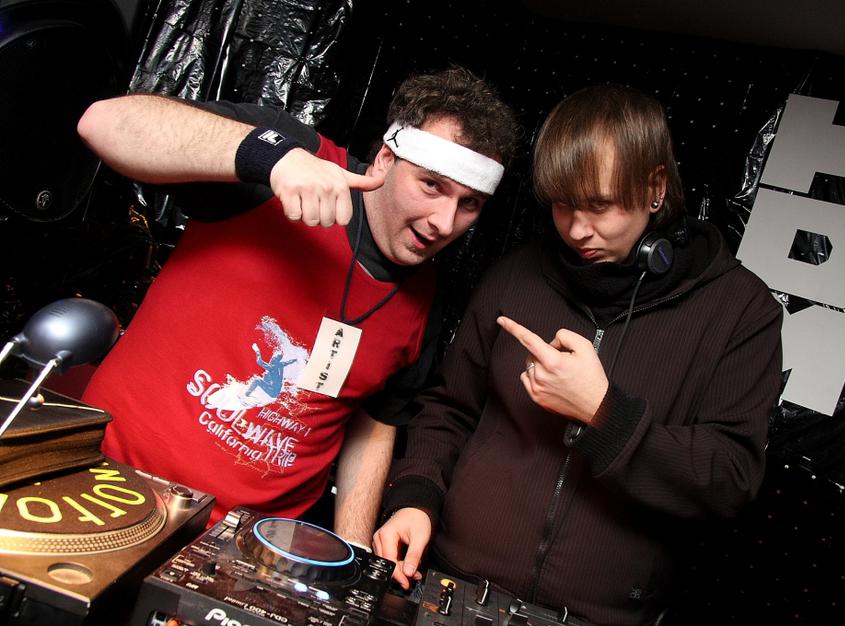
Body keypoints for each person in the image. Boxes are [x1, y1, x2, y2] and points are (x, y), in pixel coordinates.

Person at [372, 84, 783, 625]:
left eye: (600, 206)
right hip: (455, 585)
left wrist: (603, 414)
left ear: (655, 187)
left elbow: (731, 478)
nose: (576, 229)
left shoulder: (740, 310)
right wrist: (415, 497)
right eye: (563, 205)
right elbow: (449, 409)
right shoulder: (515, 275)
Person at [75, 67, 518, 545]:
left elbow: (374, 423)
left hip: (251, 545)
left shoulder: (425, 294)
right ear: (386, 160)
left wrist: (354, 550)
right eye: (431, 185)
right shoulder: (295, 158)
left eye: (469, 204)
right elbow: (103, 122)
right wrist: (268, 156)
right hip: (109, 484)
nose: (444, 223)